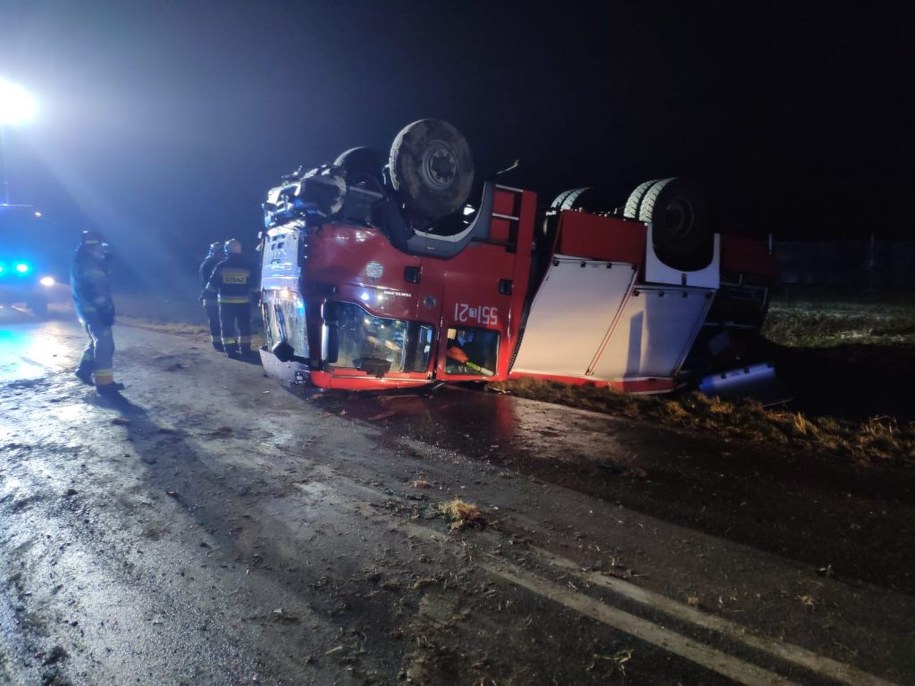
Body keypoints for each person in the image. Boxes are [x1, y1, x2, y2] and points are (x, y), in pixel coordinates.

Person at [71, 230, 124, 393]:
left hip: (88, 311)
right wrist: (105, 310)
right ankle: (104, 383)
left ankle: (84, 369)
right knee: (105, 344)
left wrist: (104, 263)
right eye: (102, 246)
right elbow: (96, 289)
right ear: (95, 245)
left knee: (96, 340)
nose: (104, 249)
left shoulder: (84, 260)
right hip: (96, 312)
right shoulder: (90, 264)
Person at [204, 238, 259, 358]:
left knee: (227, 327)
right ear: (240, 251)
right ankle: (245, 349)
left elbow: (212, 285)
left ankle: (230, 350)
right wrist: (256, 300)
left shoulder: (221, 266)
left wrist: (205, 295)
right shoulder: (247, 266)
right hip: (243, 303)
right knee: (244, 327)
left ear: (226, 251)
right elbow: (254, 286)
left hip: (225, 303)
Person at [199, 240, 226, 351]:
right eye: (220, 252)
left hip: (216, 297)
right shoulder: (211, 264)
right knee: (215, 321)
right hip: (212, 297)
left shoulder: (208, 263)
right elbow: (209, 282)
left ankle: (222, 343)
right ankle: (217, 343)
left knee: (221, 321)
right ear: (214, 253)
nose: (222, 255)